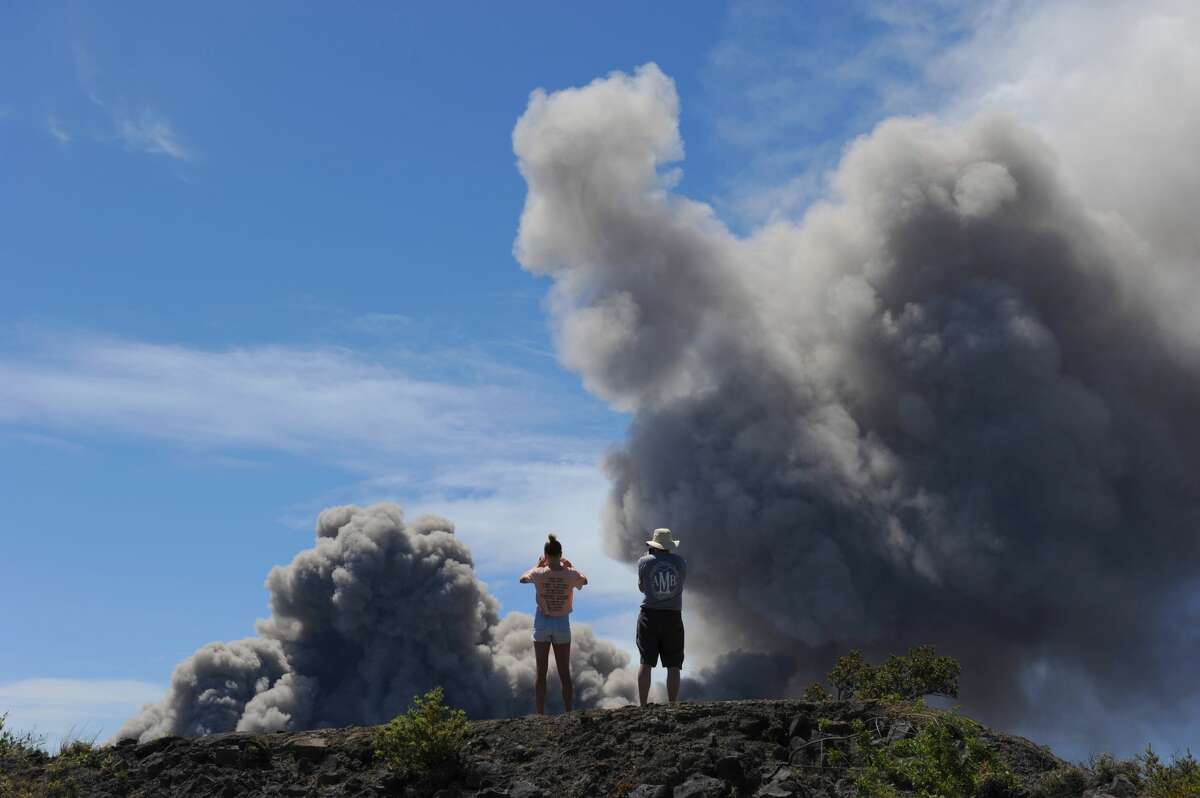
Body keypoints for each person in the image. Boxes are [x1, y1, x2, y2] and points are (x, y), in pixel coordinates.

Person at [519, 533, 588, 714]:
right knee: (564, 672)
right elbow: (584, 580)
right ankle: (568, 712)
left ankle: (540, 714)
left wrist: (538, 565)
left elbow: (523, 578)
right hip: (562, 623)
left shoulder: (539, 573)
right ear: (561, 554)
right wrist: (570, 566)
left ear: (546, 555)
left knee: (541, 672)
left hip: (542, 621)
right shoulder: (570, 574)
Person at [636, 527, 687, 706]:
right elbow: (680, 585)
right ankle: (672, 704)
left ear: (654, 545)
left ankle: (643, 705)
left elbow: (642, 587)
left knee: (646, 662)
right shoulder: (681, 563)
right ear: (670, 545)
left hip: (649, 615)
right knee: (673, 665)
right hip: (673, 616)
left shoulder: (644, 561)